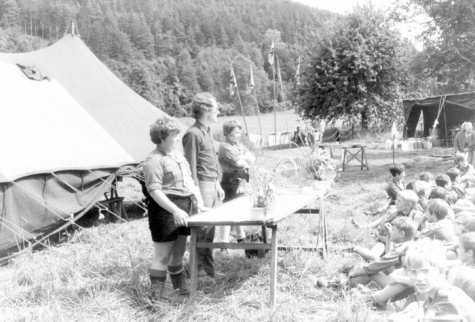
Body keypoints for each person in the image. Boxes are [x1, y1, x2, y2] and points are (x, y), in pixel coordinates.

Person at [143, 116, 209, 300]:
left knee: (179, 252)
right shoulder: (154, 160)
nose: (178, 139)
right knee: (163, 256)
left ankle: (179, 289)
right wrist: (174, 210)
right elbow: (154, 191)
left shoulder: (178, 157)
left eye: (178, 135)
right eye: (174, 136)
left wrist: (198, 202)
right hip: (165, 210)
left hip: (183, 207)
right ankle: (156, 298)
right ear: (161, 138)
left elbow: (189, 181)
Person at [183, 92, 225, 278]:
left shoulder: (207, 131)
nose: (218, 111)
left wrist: (217, 184)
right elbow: (191, 168)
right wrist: (197, 194)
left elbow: (212, 162)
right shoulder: (193, 134)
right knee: (201, 231)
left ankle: (209, 270)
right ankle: (197, 271)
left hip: (212, 185)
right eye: (216, 108)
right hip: (202, 186)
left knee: (210, 230)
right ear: (206, 110)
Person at [388, 240, 475, 322]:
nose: (419, 278)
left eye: (425, 271)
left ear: (441, 271)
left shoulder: (448, 300)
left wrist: (396, 318)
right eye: (413, 272)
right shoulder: (434, 294)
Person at [217, 120, 255, 248]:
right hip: (231, 181)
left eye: (239, 132)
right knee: (228, 212)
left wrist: (245, 158)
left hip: (241, 180)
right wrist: (245, 158)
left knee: (239, 211)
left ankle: (241, 240)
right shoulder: (225, 146)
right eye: (236, 133)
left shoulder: (238, 145)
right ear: (227, 133)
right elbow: (239, 163)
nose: (239, 135)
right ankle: (224, 244)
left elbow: (252, 158)